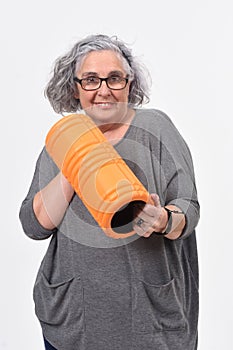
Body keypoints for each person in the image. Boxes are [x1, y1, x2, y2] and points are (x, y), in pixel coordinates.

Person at [19, 34, 200, 350]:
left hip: (148, 320)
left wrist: (163, 220)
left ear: (130, 84)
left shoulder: (155, 128)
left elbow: (188, 206)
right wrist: (76, 163)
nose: (103, 90)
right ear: (75, 88)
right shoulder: (61, 143)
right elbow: (34, 226)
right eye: (90, 80)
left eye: (114, 78)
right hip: (73, 321)